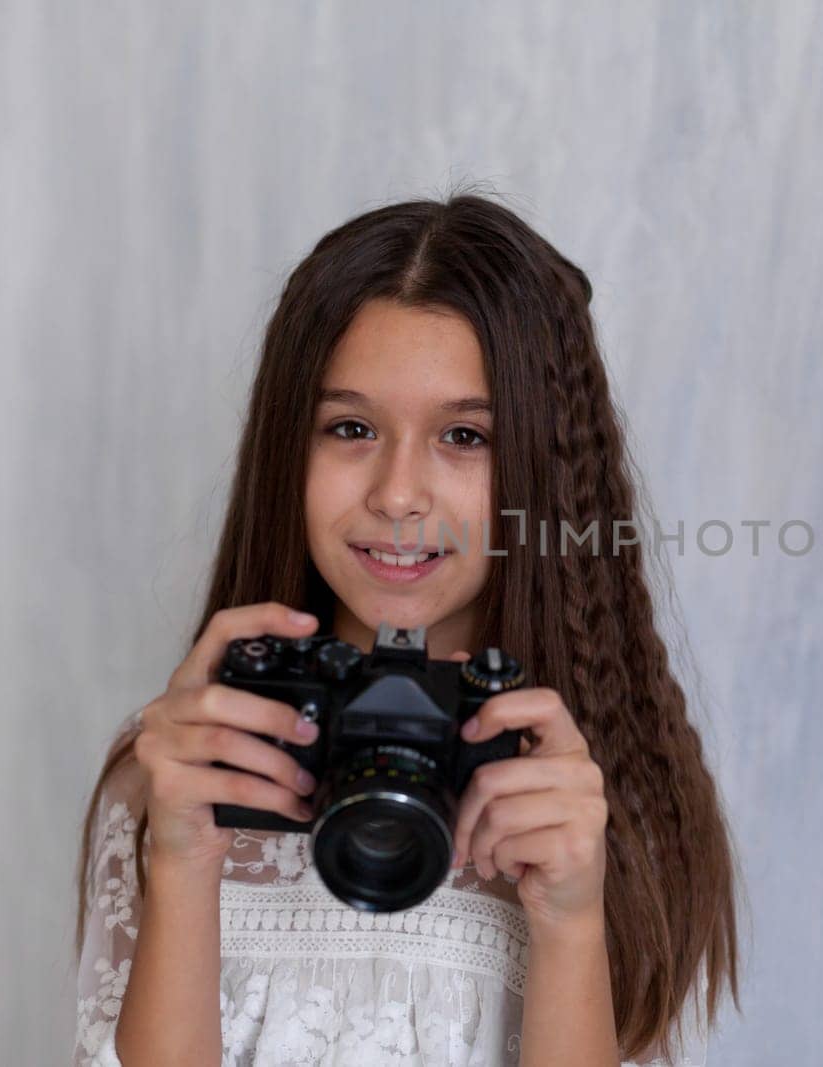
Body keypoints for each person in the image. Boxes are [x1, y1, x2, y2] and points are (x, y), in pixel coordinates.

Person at [72, 191, 742, 1066]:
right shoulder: (177, 770)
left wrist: (571, 920)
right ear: (289, 450)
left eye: (464, 435)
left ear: (537, 471)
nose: (396, 493)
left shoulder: (601, 792)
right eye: (350, 427)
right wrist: (185, 858)